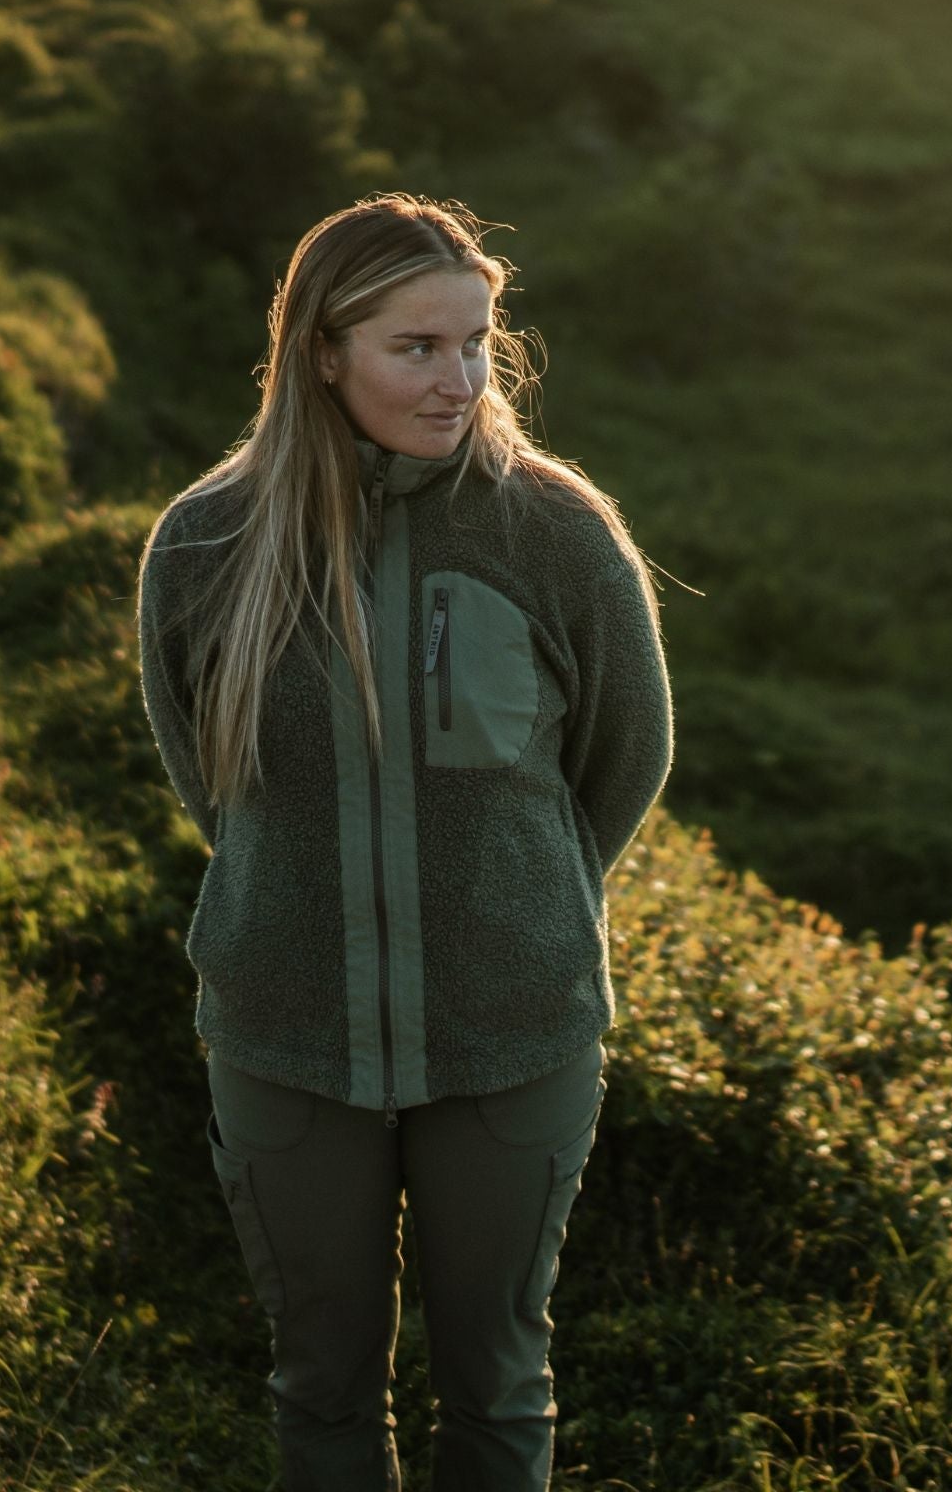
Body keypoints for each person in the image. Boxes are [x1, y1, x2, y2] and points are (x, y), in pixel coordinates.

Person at [135, 192, 674, 1491]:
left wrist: (510, 897)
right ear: (324, 350)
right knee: (320, 1384)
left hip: (511, 1035)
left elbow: (622, 763)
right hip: (289, 1038)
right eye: (416, 347)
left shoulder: (557, 537)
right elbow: (212, 785)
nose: (459, 380)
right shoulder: (207, 542)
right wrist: (311, 890)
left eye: (477, 343)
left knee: (496, 1385)